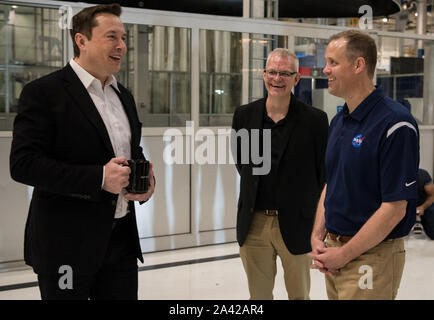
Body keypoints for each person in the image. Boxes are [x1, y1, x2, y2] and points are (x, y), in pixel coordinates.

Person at [9, 3, 155, 300]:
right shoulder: (44, 93)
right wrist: (99, 177)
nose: (122, 46)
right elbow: (23, 164)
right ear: (81, 40)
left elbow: (130, 150)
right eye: (112, 37)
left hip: (121, 242)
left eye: (124, 38)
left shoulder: (122, 94)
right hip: (66, 246)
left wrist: (145, 177)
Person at [309, 30, 419, 300]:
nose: (325, 70)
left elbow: (394, 209)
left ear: (358, 65)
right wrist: (318, 235)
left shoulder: (395, 123)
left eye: (333, 62)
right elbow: (331, 184)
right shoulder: (339, 121)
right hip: (335, 253)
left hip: (372, 256)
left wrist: (344, 254)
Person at [231, 48, 329, 300]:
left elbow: (323, 175)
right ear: (264, 74)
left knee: (299, 296)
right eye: (272, 72)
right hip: (254, 224)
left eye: (285, 73)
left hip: (298, 223)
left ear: (297, 79)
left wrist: (319, 225)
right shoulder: (244, 116)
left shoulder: (315, 121)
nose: (277, 79)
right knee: (259, 297)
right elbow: (242, 165)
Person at [414, 168, 434, 238]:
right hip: (405, 204)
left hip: (424, 203)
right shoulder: (399, 176)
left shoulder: (422, 174)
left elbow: (432, 196)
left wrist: (423, 207)